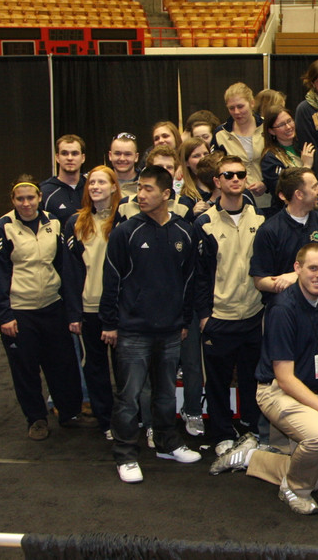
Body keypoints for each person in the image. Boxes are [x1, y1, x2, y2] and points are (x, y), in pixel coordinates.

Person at [209, 244, 318, 515]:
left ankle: (250, 456)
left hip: (310, 390)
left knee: (316, 476)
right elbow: (284, 378)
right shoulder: (283, 309)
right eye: (312, 268)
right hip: (275, 390)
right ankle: (293, 490)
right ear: (297, 269)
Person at [100, 165, 202, 483]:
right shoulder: (125, 232)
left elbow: (189, 282)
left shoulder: (185, 232)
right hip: (132, 330)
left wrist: (184, 321)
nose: (140, 195)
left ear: (166, 194)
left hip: (171, 329)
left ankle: (166, 442)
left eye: (147, 189)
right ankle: (126, 454)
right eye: (139, 189)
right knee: (129, 397)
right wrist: (110, 323)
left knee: (166, 394)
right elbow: (111, 280)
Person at [0, 175, 94, 441]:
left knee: (63, 363)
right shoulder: (4, 227)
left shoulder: (54, 223)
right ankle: (36, 419)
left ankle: (69, 412)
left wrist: (70, 308)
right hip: (20, 311)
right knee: (26, 369)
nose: (26, 204)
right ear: (13, 200)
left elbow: (63, 267)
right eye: (20, 199)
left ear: (39, 198)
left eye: (31, 198)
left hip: (52, 306)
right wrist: (5, 315)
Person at [194, 156, 266, 451]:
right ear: (217, 181)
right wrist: (203, 316)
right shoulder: (204, 223)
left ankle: (252, 429)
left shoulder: (260, 220)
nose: (235, 179)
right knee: (218, 382)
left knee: (252, 379)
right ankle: (223, 434)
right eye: (228, 175)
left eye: (240, 174)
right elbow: (198, 275)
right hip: (219, 317)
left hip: (252, 315)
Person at [63, 165, 123, 440]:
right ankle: (105, 420)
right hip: (89, 309)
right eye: (92, 183)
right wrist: (73, 313)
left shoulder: (125, 220)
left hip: (120, 310)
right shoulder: (75, 223)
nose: (95, 186)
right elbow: (71, 271)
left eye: (101, 182)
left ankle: (127, 419)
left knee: (125, 370)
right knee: (96, 369)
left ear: (113, 187)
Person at [250, 167, 318, 307]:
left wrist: (298, 275)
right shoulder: (269, 230)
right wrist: (284, 282)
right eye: (314, 187)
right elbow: (260, 281)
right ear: (299, 194)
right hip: (284, 308)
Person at [214, 82, 267, 208]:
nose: (236, 112)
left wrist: (267, 184)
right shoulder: (220, 133)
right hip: (234, 203)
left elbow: (281, 161)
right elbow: (215, 169)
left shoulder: (268, 127)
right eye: (231, 108)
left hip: (267, 200)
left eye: (240, 106)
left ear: (252, 103)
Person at [261, 106, 314, 215]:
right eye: (281, 125)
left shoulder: (304, 144)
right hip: (286, 213)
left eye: (289, 121)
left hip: (311, 207)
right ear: (271, 131)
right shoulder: (270, 158)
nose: (288, 127)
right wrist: (306, 167)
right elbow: (283, 189)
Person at [40, 134, 86, 223]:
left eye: (75, 153)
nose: (69, 158)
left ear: (83, 158)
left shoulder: (93, 187)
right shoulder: (44, 192)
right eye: (64, 153)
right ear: (57, 157)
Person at [177, 138, 212, 217]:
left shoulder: (222, 185)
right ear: (186, 163)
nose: (203, 158)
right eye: (196, 156)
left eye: (206, 154)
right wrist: (191, 215)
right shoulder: (187, 198)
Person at [107, 132, 140, 198]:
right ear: (110, 155)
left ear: (136, 157)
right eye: (117, 153)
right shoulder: (99, 181)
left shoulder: (146, 182)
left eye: (127, 154)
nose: (122, 158)